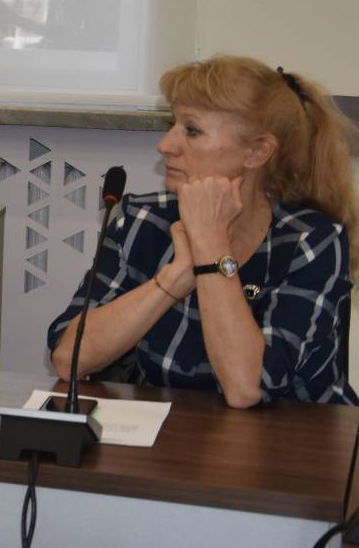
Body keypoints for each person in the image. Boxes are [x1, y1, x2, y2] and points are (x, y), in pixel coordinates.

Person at [48, 56, 357, 407]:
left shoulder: (310, 241)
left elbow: (247, 388)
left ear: (257, 152)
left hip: (297, 434)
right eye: (173, 124)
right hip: (176, 428)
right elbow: (69, 359)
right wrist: (174, 277)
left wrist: (211, 246)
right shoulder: (141, 220)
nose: (165, 144)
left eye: (192, 130)